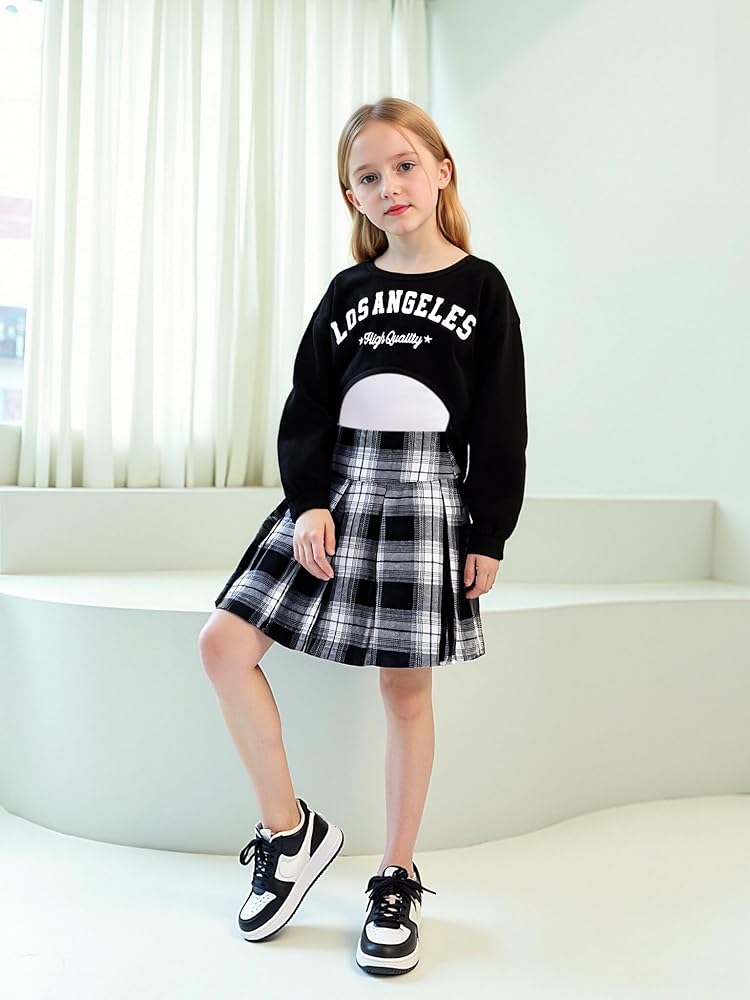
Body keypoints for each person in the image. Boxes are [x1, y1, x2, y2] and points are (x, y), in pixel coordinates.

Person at [198, 95, 528, 976]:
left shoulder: (482, 288)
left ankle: (395, 875)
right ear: (353, 197)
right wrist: (309, 501)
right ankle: (289, 834)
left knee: (406, 693)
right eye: (368, 177)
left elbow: (501, 422)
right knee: (224, 646)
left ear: (443, 170)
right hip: (336, 491)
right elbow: (307, 403)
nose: (390, 187)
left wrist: (488, 531)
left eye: (404, 166)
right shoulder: (349, 291)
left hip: (427, 495)